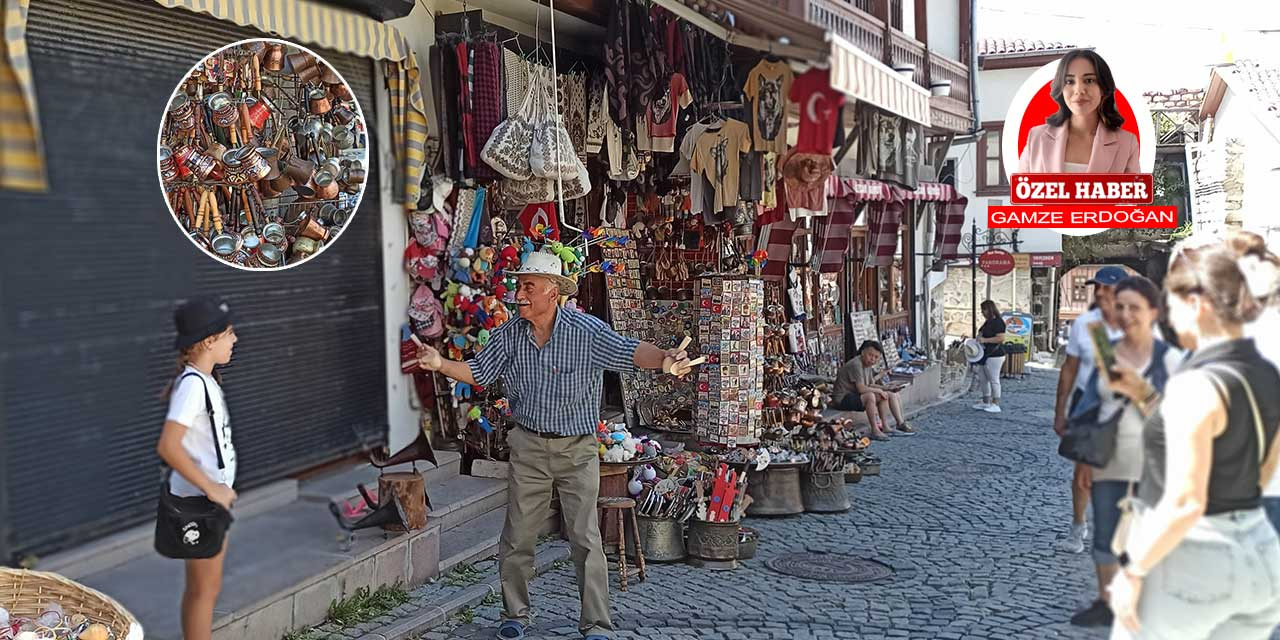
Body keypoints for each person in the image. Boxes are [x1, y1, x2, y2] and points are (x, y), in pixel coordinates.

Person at [414, 251, 695, 640]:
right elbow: (478, 373)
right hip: (528, 446)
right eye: (518, 285)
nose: (519, 293)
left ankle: (596, 624)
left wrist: (665, 360)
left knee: (585, 537)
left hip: (577, 450)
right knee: (518, 536)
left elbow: (629, 350)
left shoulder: (585, 331)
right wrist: (440, 363)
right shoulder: (509, 334)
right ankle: (515, 615)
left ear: (552, 291)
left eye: (528, 286)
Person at [1106, 232, 1280, 639]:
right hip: (1257, 548)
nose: (1167, 315)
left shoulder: (1196, 384)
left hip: (1194, 556)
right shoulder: (1264, 373)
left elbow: (1187, 501)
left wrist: (1135, 572)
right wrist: (1147, 398)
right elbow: (1260, 466)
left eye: (1171, 302)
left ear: (1198, 304)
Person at [1069, 276, 1183, 628]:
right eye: (1121, 307)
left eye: (1134, 307)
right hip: (1109, 456)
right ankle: (1106, 601)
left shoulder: (1170, 358)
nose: (1126, 314)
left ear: (1153, 312)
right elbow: (1090, 407)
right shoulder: (1108, 350)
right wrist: (1085, 460)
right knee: (1105, 534)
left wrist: (1144, 393)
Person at [156, 295, 239, 640]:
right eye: (229, 333)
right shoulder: (192, 386)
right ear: (209, 340)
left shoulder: (204, 380)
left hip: (207, 502)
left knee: (204, 588)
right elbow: (168, 446)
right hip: (199, 503)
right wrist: (213, 488)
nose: (235, 340)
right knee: (204, 591)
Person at [1055, 266, 1128, 553]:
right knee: (1083, 473)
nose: (1099, 293)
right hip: (1088, 403)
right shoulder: (1086, 324)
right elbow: (1069, 369)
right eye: (1096, 287)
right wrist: (1059, 410)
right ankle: (1078, 527)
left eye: (1106, 288)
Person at [1018, 49, 1140, 174]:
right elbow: (1020, 190)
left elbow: (1135, 192)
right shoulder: (1037, 137)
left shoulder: (1127, 143)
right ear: (1061, 88)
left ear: (1103, 87)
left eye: (1089, 80)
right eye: (1069, 81)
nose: (1079, 90)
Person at [831, 340, 917, 440]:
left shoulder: (867, 366)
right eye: (870, 355)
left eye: (876, 357)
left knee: (886, 394)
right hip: (842, 398)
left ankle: (888, 426)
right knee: (870, 396)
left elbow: (871, 384)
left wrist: (886, 388)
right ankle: (875, 430)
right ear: (863, 352)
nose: (872, 359)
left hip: (854, 395)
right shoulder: (856, 364)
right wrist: (879, 391)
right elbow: (861, 388)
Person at [972, 300, 1008, 413]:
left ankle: (996, 403)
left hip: (995, 355)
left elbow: (1001, 338)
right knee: (983, 379)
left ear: (990, 309)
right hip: (985, 354)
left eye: (984, 309)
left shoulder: (998, 322)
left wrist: (985, 340)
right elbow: (982, 332)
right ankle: (986, 400)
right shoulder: (988, 322)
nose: (982, 312)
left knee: (993, 379)